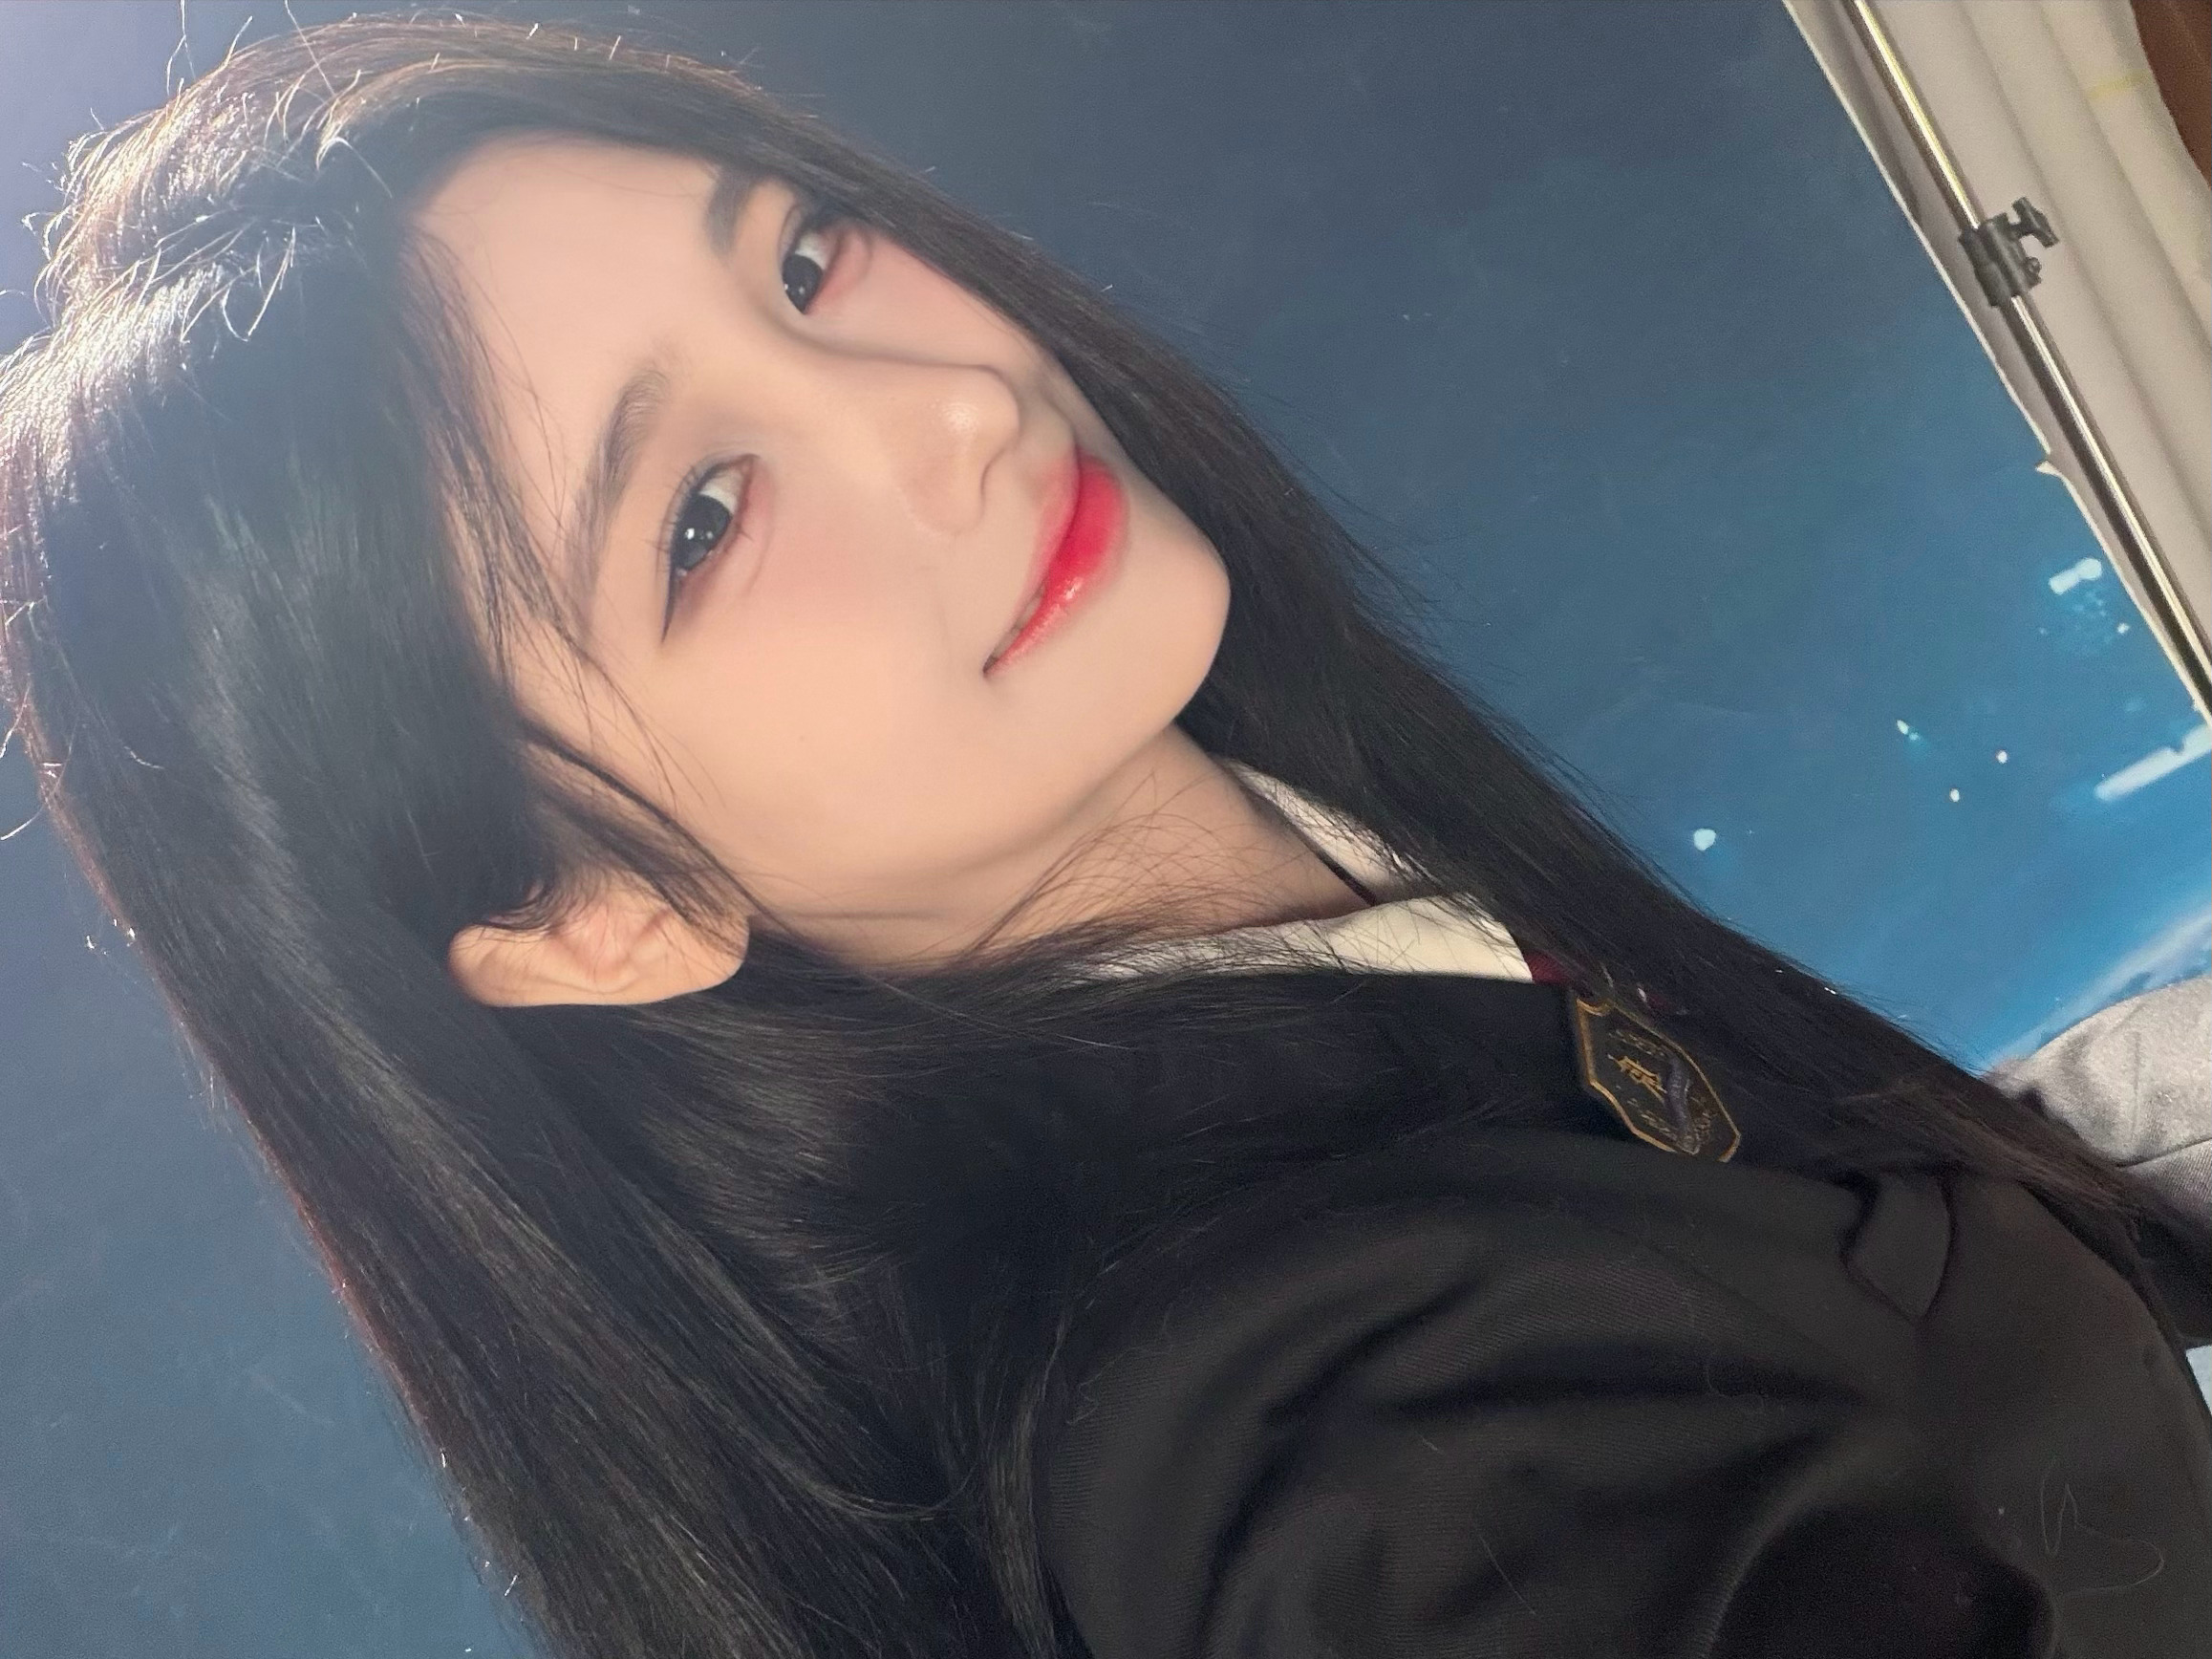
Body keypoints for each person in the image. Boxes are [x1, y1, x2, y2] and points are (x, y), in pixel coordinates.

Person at [0, 17, 2202, 1659]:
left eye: (807, 260)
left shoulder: (1322, 918)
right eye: (701, 516)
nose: (951, 408)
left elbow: (1856, 1224)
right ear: (592, 917)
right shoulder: (1322, 1445)